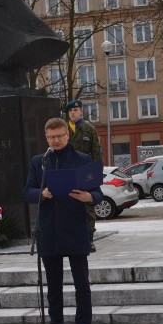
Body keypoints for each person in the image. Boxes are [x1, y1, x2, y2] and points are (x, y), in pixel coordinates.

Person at [23, 117, 103, 324]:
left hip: (75, 229)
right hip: (49, 232)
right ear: (46, 137)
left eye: (60, 136)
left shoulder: (82, 160)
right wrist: (43, 193)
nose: (56, 140)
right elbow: (27, 192)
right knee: (53, 287)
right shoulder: (40, 162)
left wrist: (89, 197)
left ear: (67, 136)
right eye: (51, 137)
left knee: (82, 286)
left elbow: (97, 192)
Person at [65, 99, 103, 252]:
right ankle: (70, 238)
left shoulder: (89, 129)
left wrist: (96, 174)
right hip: (67, 173)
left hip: (86, 173)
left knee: (88, 207)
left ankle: (89, 239)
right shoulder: (64, 129)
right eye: (70, 111)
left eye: (75, 110)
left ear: (81, 111)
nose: (73, 113)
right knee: (67, 205)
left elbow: (96, 153)